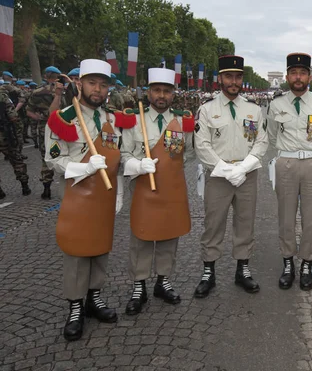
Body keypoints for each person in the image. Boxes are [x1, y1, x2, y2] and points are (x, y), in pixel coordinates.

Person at [45, 59, 122, 341]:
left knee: (100, 248)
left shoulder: (113, 120)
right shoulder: (63, 118)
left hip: (104, 195)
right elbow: (53, 158)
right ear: (80, 84)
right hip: (78, 194)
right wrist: (84, 167)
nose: (97, 89)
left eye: (103, 85)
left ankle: (94, 297)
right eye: (92, 83)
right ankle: (75, 307)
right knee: (78, 252)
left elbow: (117, 160)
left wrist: (120, 191)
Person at [120, 68, 195, 314]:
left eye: (166, 91)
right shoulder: (133, 118)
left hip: (171, 186)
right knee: (141, 235)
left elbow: (190, 152)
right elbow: (124, 153)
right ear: (148, 92)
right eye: (156, 90)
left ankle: (163, 281)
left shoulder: (182, 121)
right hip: (143, 183)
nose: (161, 95)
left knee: (168, 233)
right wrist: (138, 165)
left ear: (173, 94)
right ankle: (139, 286)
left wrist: (170, 171)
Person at [194, 55, 268, 298]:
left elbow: (261, 142)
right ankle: (208, 271)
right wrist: (227, 170)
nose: (233, 81)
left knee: (245, 222)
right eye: (229, 76)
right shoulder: (206, 110)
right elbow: (202, 145)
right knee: (213, 224)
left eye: (237, 77)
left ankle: (242, 268)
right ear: (220, 79)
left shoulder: (254, 110)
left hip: (246, 174)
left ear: (241, 79)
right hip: (218, 175)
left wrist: (243, 168)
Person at [266, 53, 312, 291]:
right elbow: (272, 135)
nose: (298, 77)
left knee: (311, 217)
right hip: (286, 162)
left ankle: (306, 262)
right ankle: (288, 263)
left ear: (309, 76)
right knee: (286, 217)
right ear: (286, 76)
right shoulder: (276, 104)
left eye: (302, 72)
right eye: (294, 72)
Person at [27, 66, 65, 199]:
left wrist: (39, 118)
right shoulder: (64, 90)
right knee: (65, 154)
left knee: (46, 157)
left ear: (45, 76)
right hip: (62, 126)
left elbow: (29, 111)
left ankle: (46, 188)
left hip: (45, 127)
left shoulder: (37, 92)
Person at [0, 87, 31, 198]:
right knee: (16, 160)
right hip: (5, 135)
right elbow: (13, 117)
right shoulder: (2, 96)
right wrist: (17, 134)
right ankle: (25, 186)